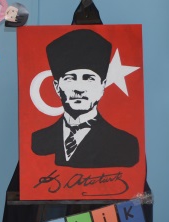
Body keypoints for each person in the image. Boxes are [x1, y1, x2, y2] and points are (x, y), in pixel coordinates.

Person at [30, 29, 139, 168]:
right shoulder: (38, 142)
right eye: (70, 79)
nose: (79, 89)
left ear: (102, 86)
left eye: (89, 79)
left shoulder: (125, 146)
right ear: (57, 87)